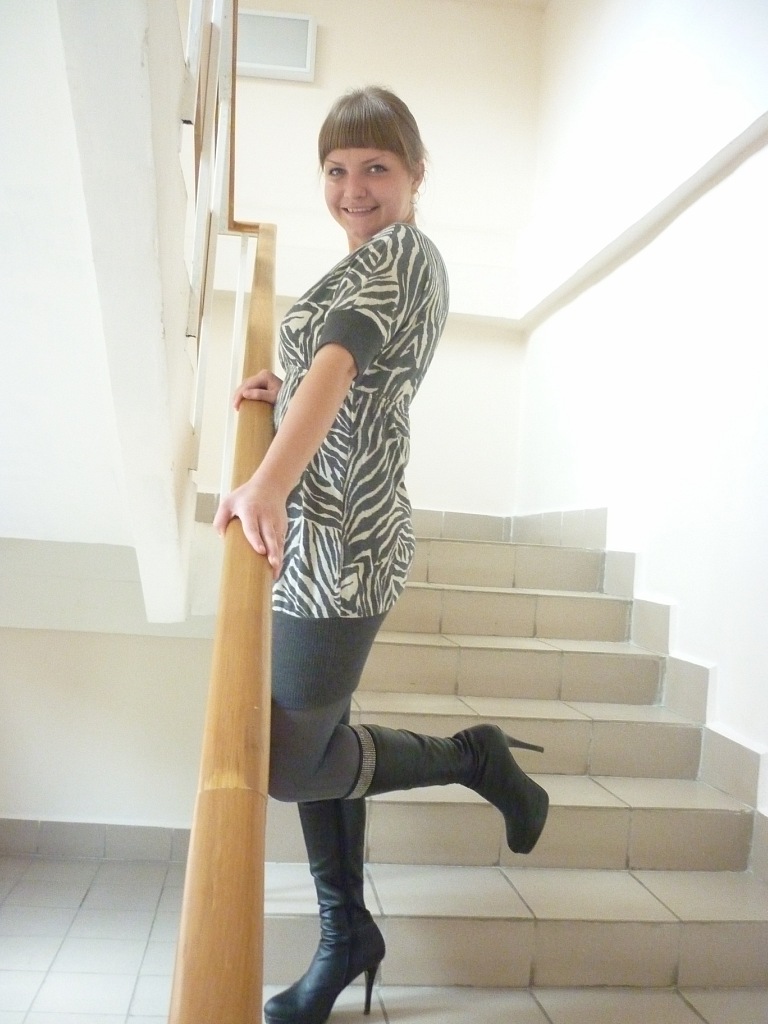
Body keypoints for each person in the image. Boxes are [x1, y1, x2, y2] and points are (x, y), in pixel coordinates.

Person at [214, 87, 549, 1024]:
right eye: (336, 169)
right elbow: (337, 373)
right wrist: (282, 389)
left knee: (292, 764)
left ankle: (474, 759)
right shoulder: (374, 260)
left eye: (376, 167)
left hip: (341, 549)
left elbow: (342, 365)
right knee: (317, 747)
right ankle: (345, 935)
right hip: (321, 542)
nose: (353, 188)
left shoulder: (400, 254)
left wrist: (267, 480)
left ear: (414, 175)